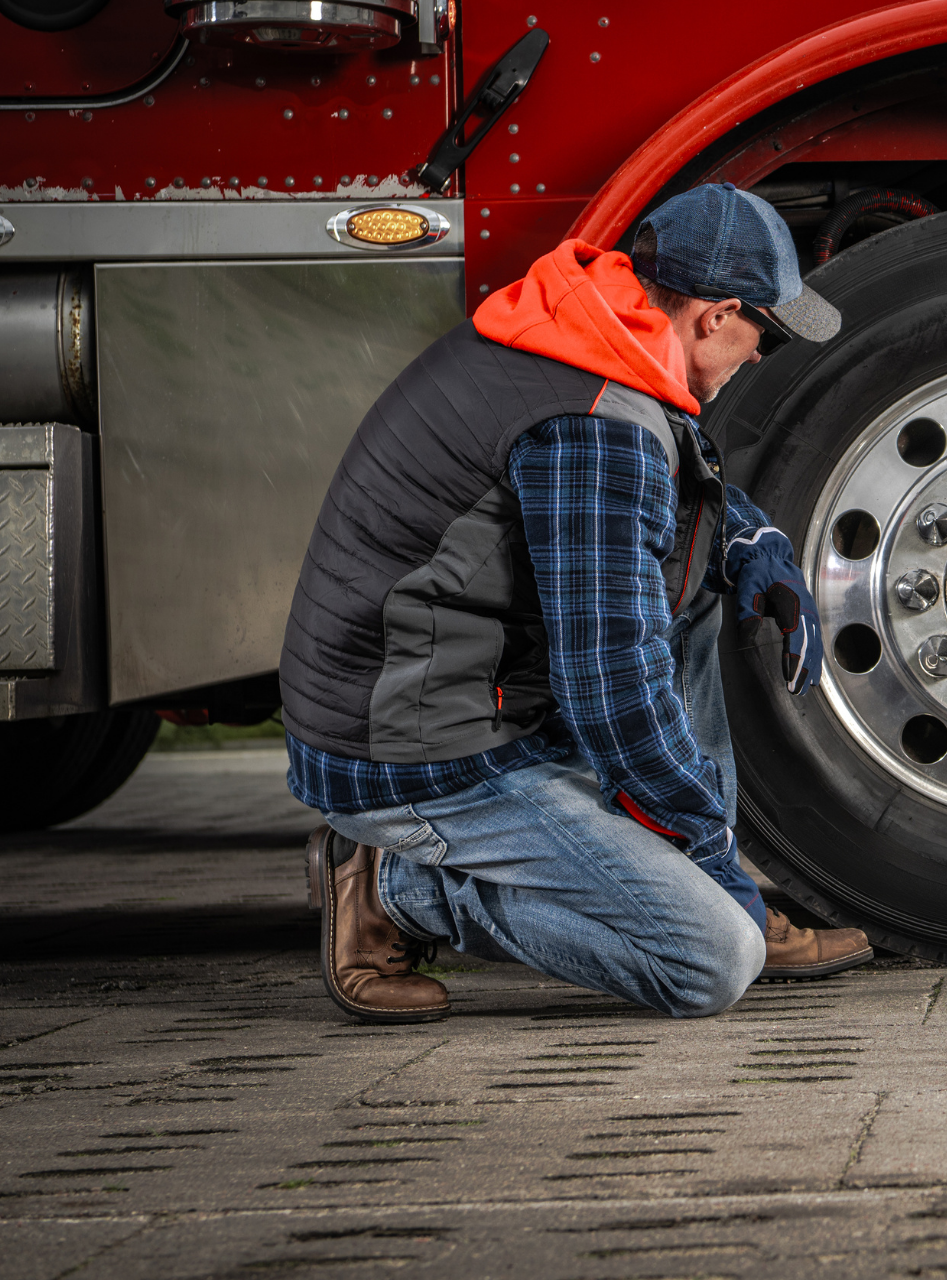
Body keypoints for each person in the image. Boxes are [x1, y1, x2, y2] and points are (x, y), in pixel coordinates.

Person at [278, 183, 873, 1024]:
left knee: (698, 587)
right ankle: (397, 885)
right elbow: (611, 688)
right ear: (715, 315)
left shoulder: (584, 334)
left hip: (422, 700)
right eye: (763, 337)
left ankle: (706, 887)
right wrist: (707, 848)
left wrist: (747, 539)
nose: (756, 357)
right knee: (710, 959)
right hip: (420, 756)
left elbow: (650, 515)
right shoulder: (596, 422)